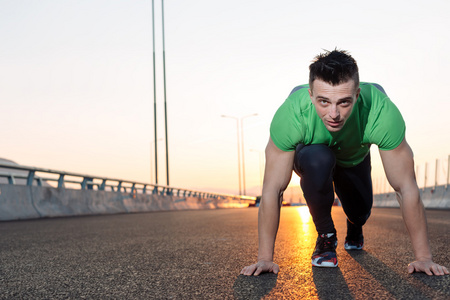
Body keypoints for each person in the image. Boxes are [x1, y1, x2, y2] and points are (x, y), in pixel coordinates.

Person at [240, 49, 449, 276]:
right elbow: (273, 189)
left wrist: (424, 258)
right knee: (318, 159)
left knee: (360, 212)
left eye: (344, 102)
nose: (334, 114)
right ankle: (326, 236)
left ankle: (355, 224)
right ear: (310, 95)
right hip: (314, 156)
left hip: (353, 159)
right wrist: (264, 259)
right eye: (323, 101)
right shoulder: (291, 114)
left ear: (357, 95)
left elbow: (405, 187)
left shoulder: (381, 112)